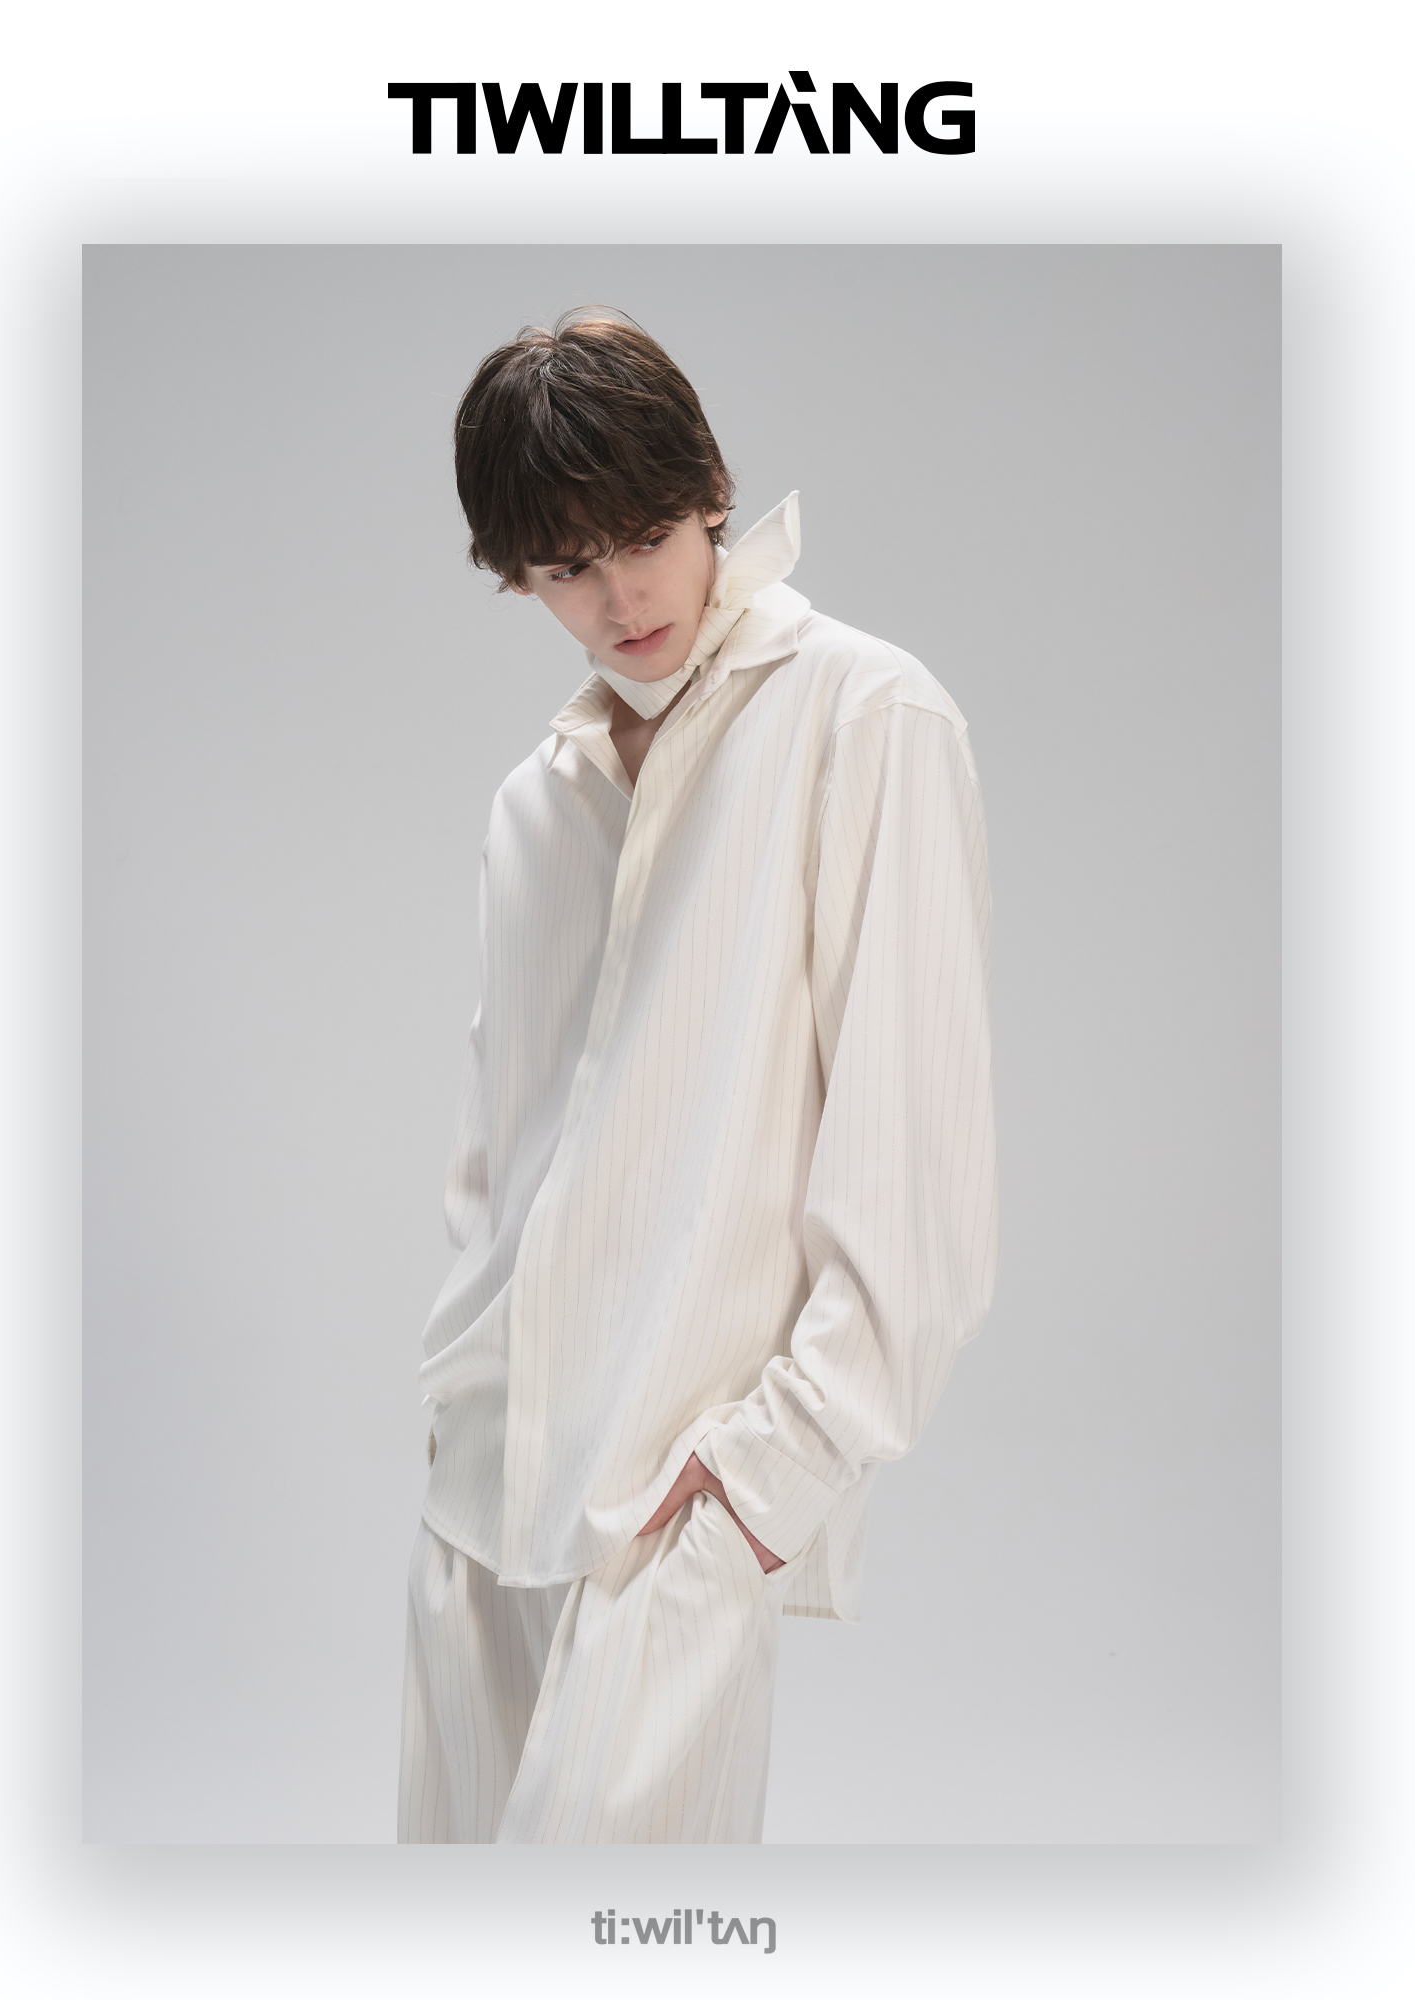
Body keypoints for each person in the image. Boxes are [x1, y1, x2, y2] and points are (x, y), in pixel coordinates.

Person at [396, 309, 999, 1844]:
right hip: (483, 1494)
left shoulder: (866, 719)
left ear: (713, 491)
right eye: (565, 568)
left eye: (646, 540)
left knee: (611, 1931)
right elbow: (497, 1152)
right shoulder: (534, 805)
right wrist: (460, 1394)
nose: (619, 598)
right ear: (517, 577)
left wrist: (762, 1484)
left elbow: (919, 1169)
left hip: (674, 1501)